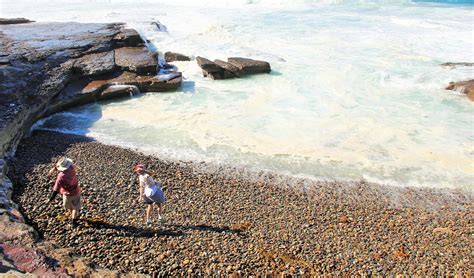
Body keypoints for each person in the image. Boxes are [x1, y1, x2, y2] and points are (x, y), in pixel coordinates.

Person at [47, 157, 81, 227]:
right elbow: (76, 167)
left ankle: (72, 215)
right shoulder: (71, 168)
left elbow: (56, 189)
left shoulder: (60, 176)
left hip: (66, 194)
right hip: (76, 192)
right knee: (75, 207)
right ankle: (73, 222)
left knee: (70, 207)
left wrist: (50, 199)